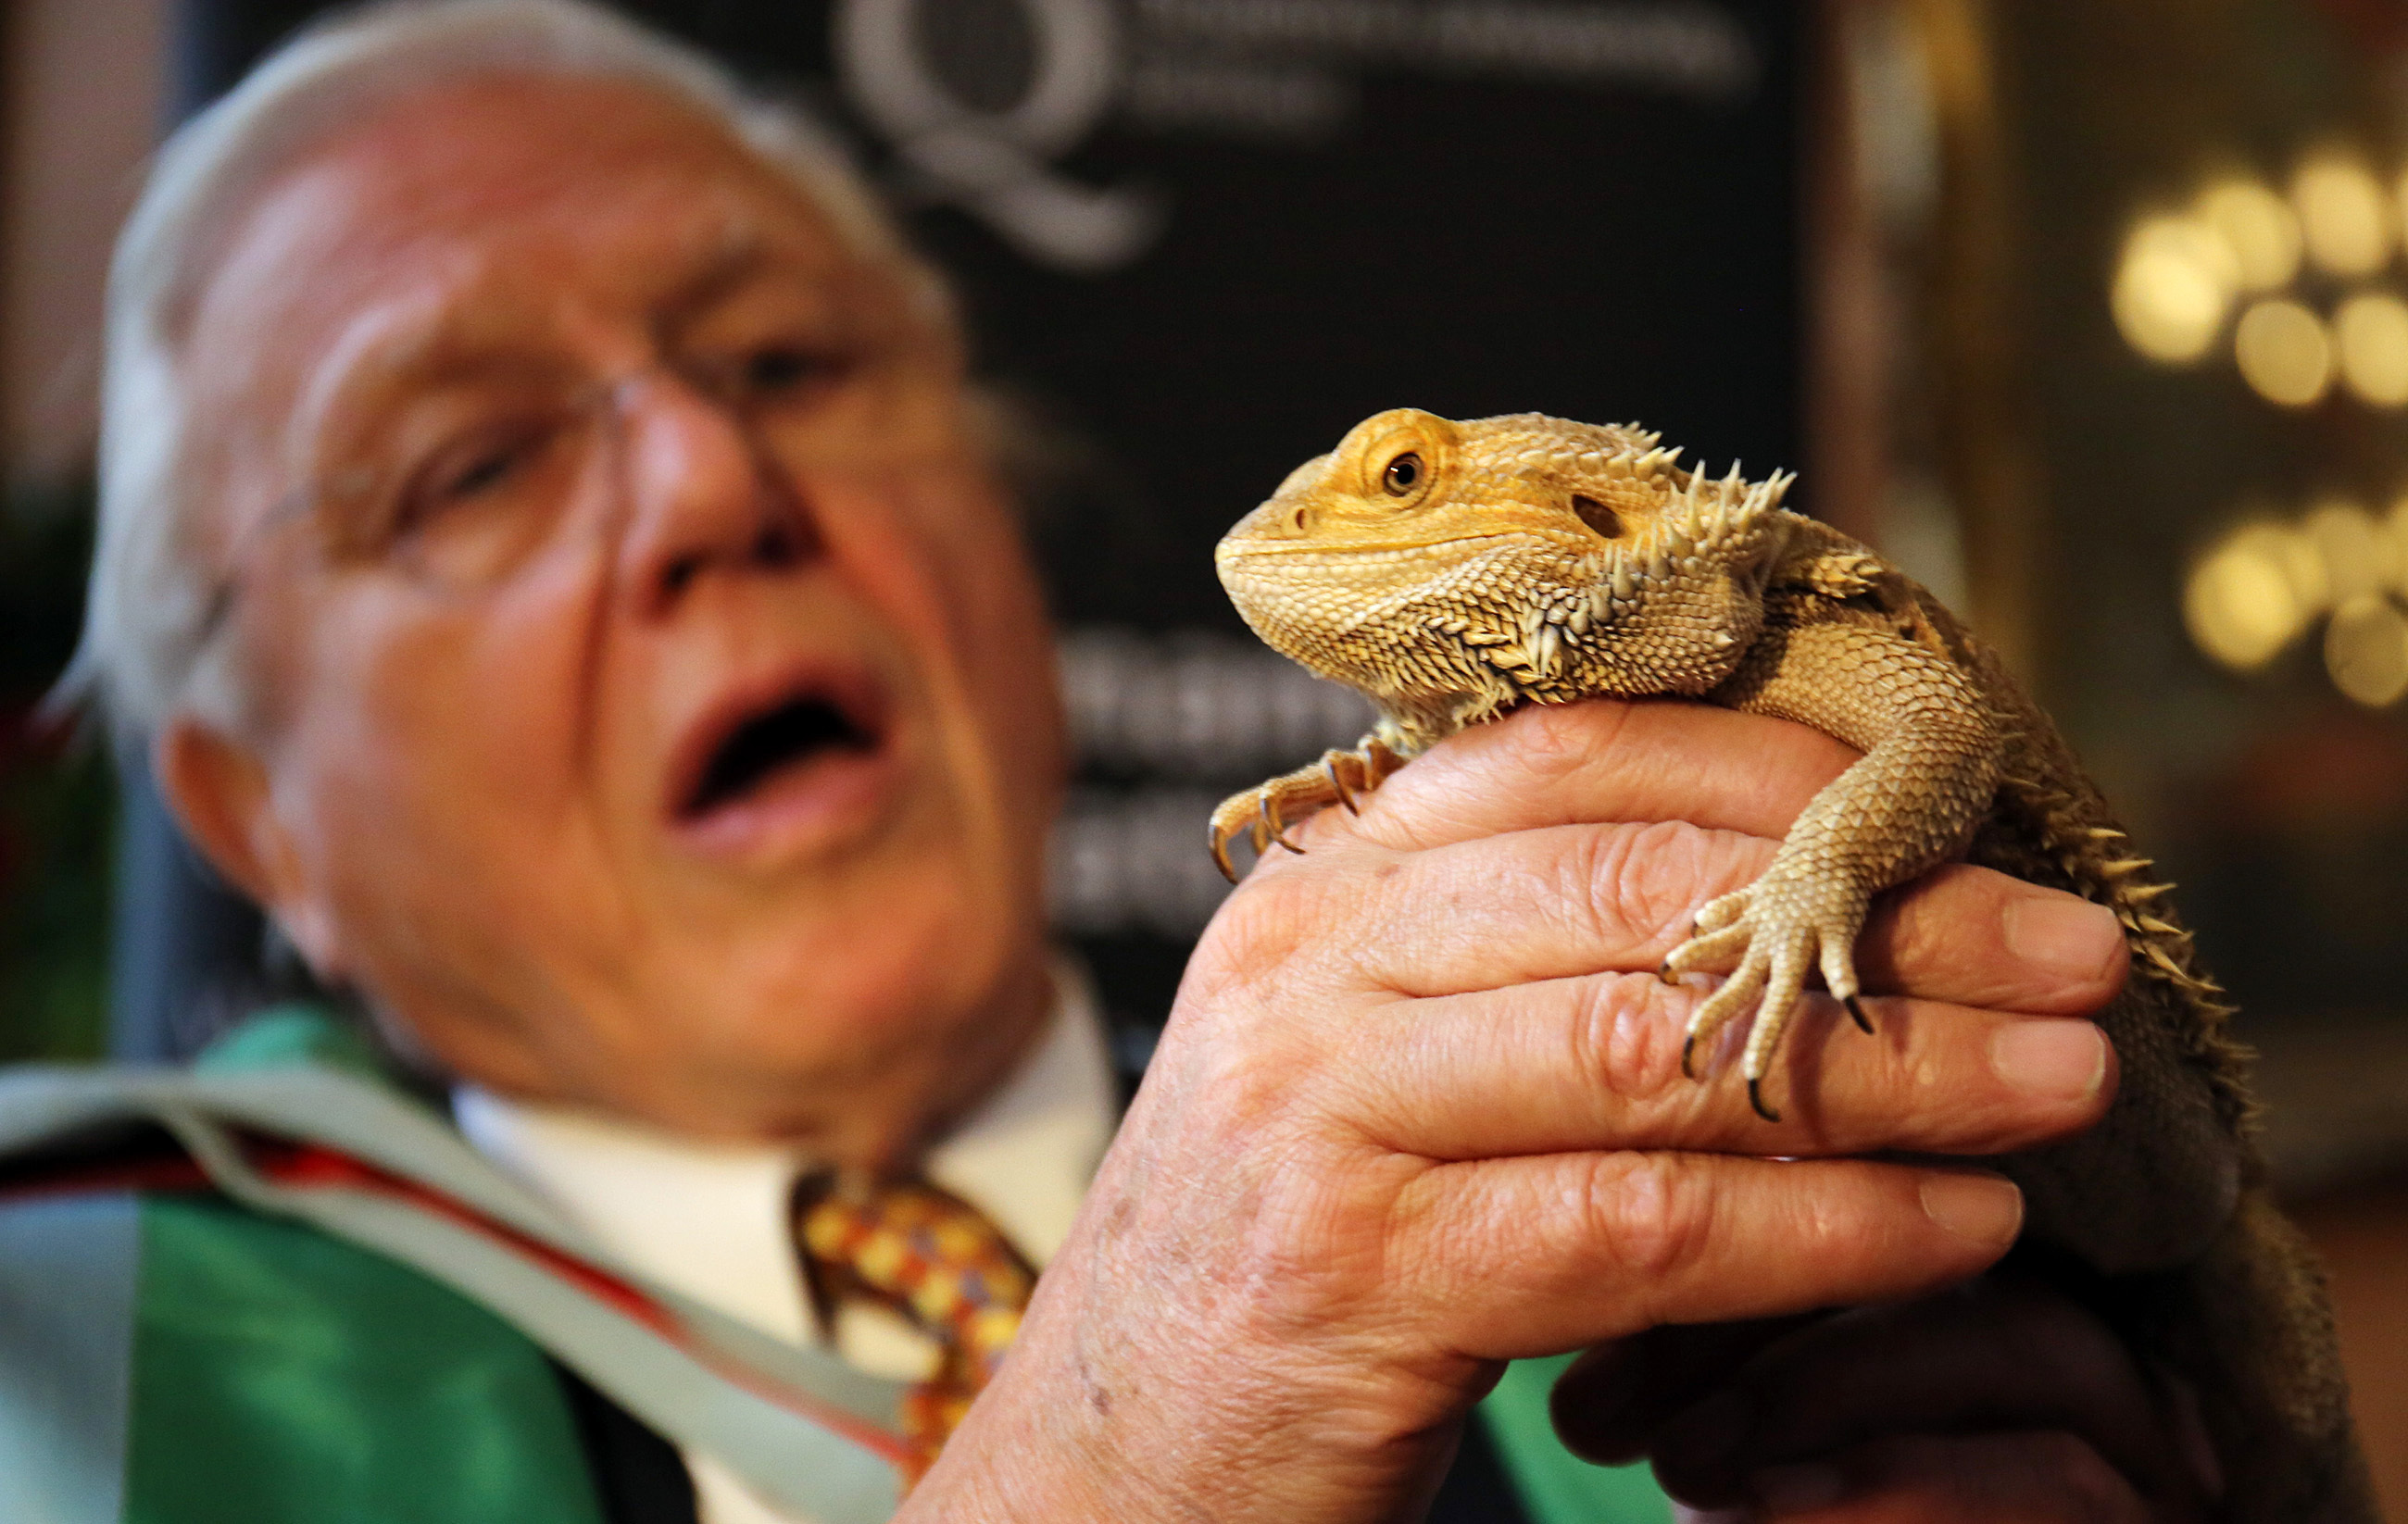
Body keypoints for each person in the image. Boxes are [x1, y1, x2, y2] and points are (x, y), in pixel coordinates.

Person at [0, 1, 2221, 1519]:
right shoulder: (59, 1358)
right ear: (252, 816)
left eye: (786, 357)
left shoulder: (1696, 1114)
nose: (702, 482)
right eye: (474, 463)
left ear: (998, 528)